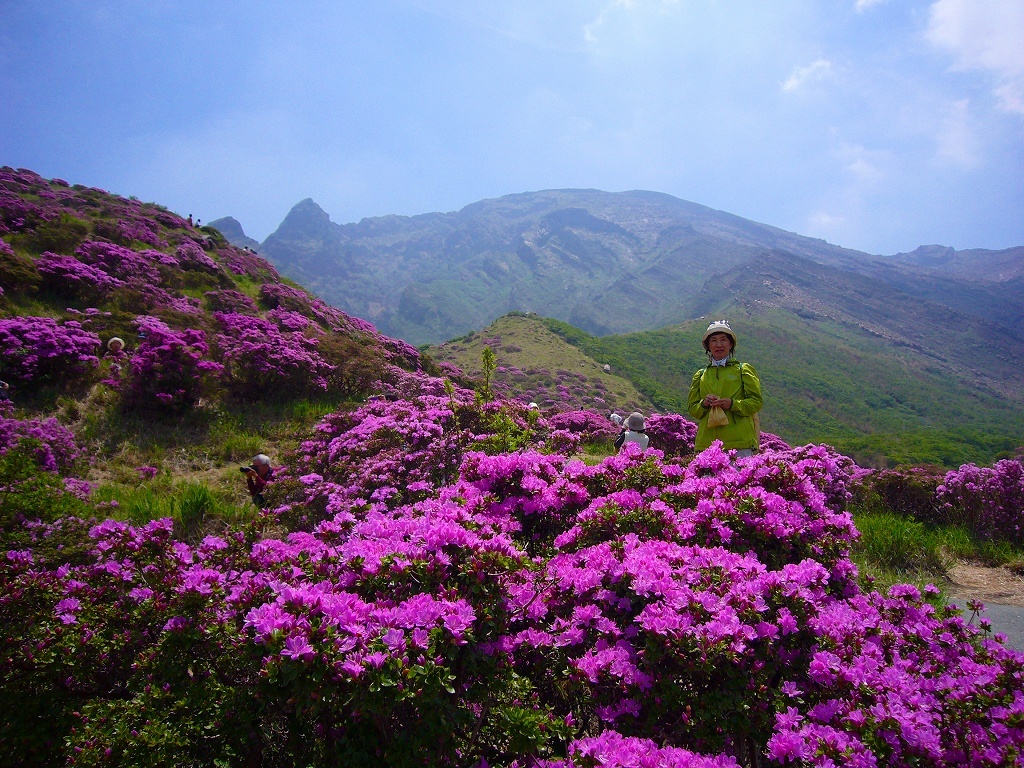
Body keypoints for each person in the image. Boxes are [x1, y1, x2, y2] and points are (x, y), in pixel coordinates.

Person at [687, 320, 762, 458]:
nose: (719, 345)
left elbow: (756, 402)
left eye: (723, 340)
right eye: (714, 340)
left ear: (731, 344)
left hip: (739, 443)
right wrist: (704, 404)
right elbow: (693, 409)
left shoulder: (743, 370)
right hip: (707, 444)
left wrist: (732, 404)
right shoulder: (701, 375)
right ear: (708, 346)